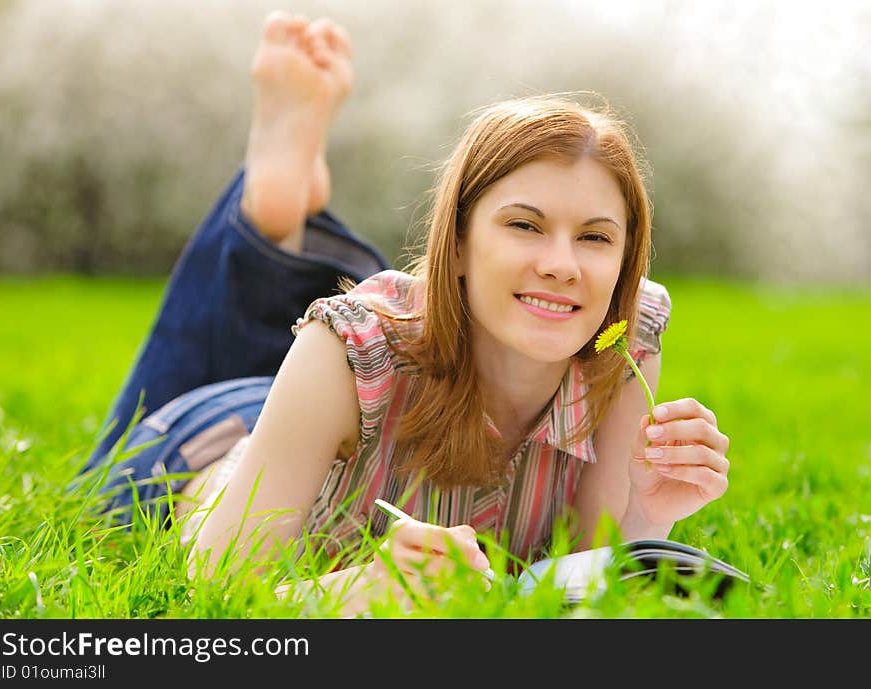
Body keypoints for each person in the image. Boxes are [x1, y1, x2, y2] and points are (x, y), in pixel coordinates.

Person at [78, 11, 730, 615]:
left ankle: (293, 215)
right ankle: (270, 216)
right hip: (203, 449)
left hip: (352, 408)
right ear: (458, 242)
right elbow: (215, 593)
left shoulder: (624, 339)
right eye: (526, 224)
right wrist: (359, 586)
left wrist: (650, 514)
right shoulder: (348, 349)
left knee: (388, 334)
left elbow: (579, 567)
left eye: (595, 237)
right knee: (116, 473)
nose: (565, 262)